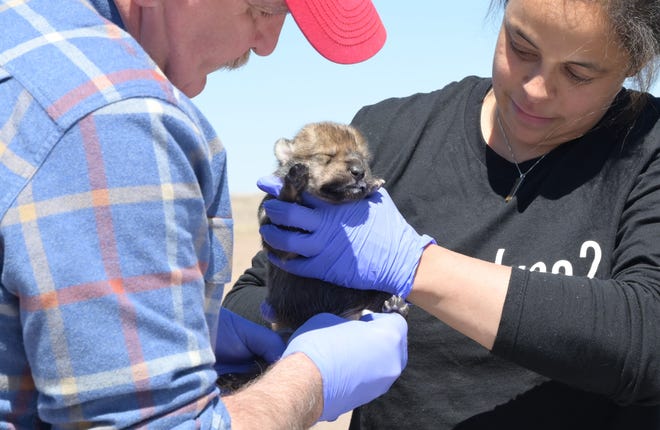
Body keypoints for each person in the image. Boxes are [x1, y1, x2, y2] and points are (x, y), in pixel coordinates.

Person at [226, 0, 660, 428]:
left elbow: (647, 344)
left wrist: (415, 266)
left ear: (635, 61)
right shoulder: (389, 133)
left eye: (577, 73)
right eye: (521, 47)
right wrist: (309, 327)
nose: (535, 87)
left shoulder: (647, 148)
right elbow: (254, 299)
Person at [0, 0, 409, 428]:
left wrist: (176, 326)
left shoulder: (25, 36)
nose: (268, 45)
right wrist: (311, 379)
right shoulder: (115, 117)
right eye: (263, 9)